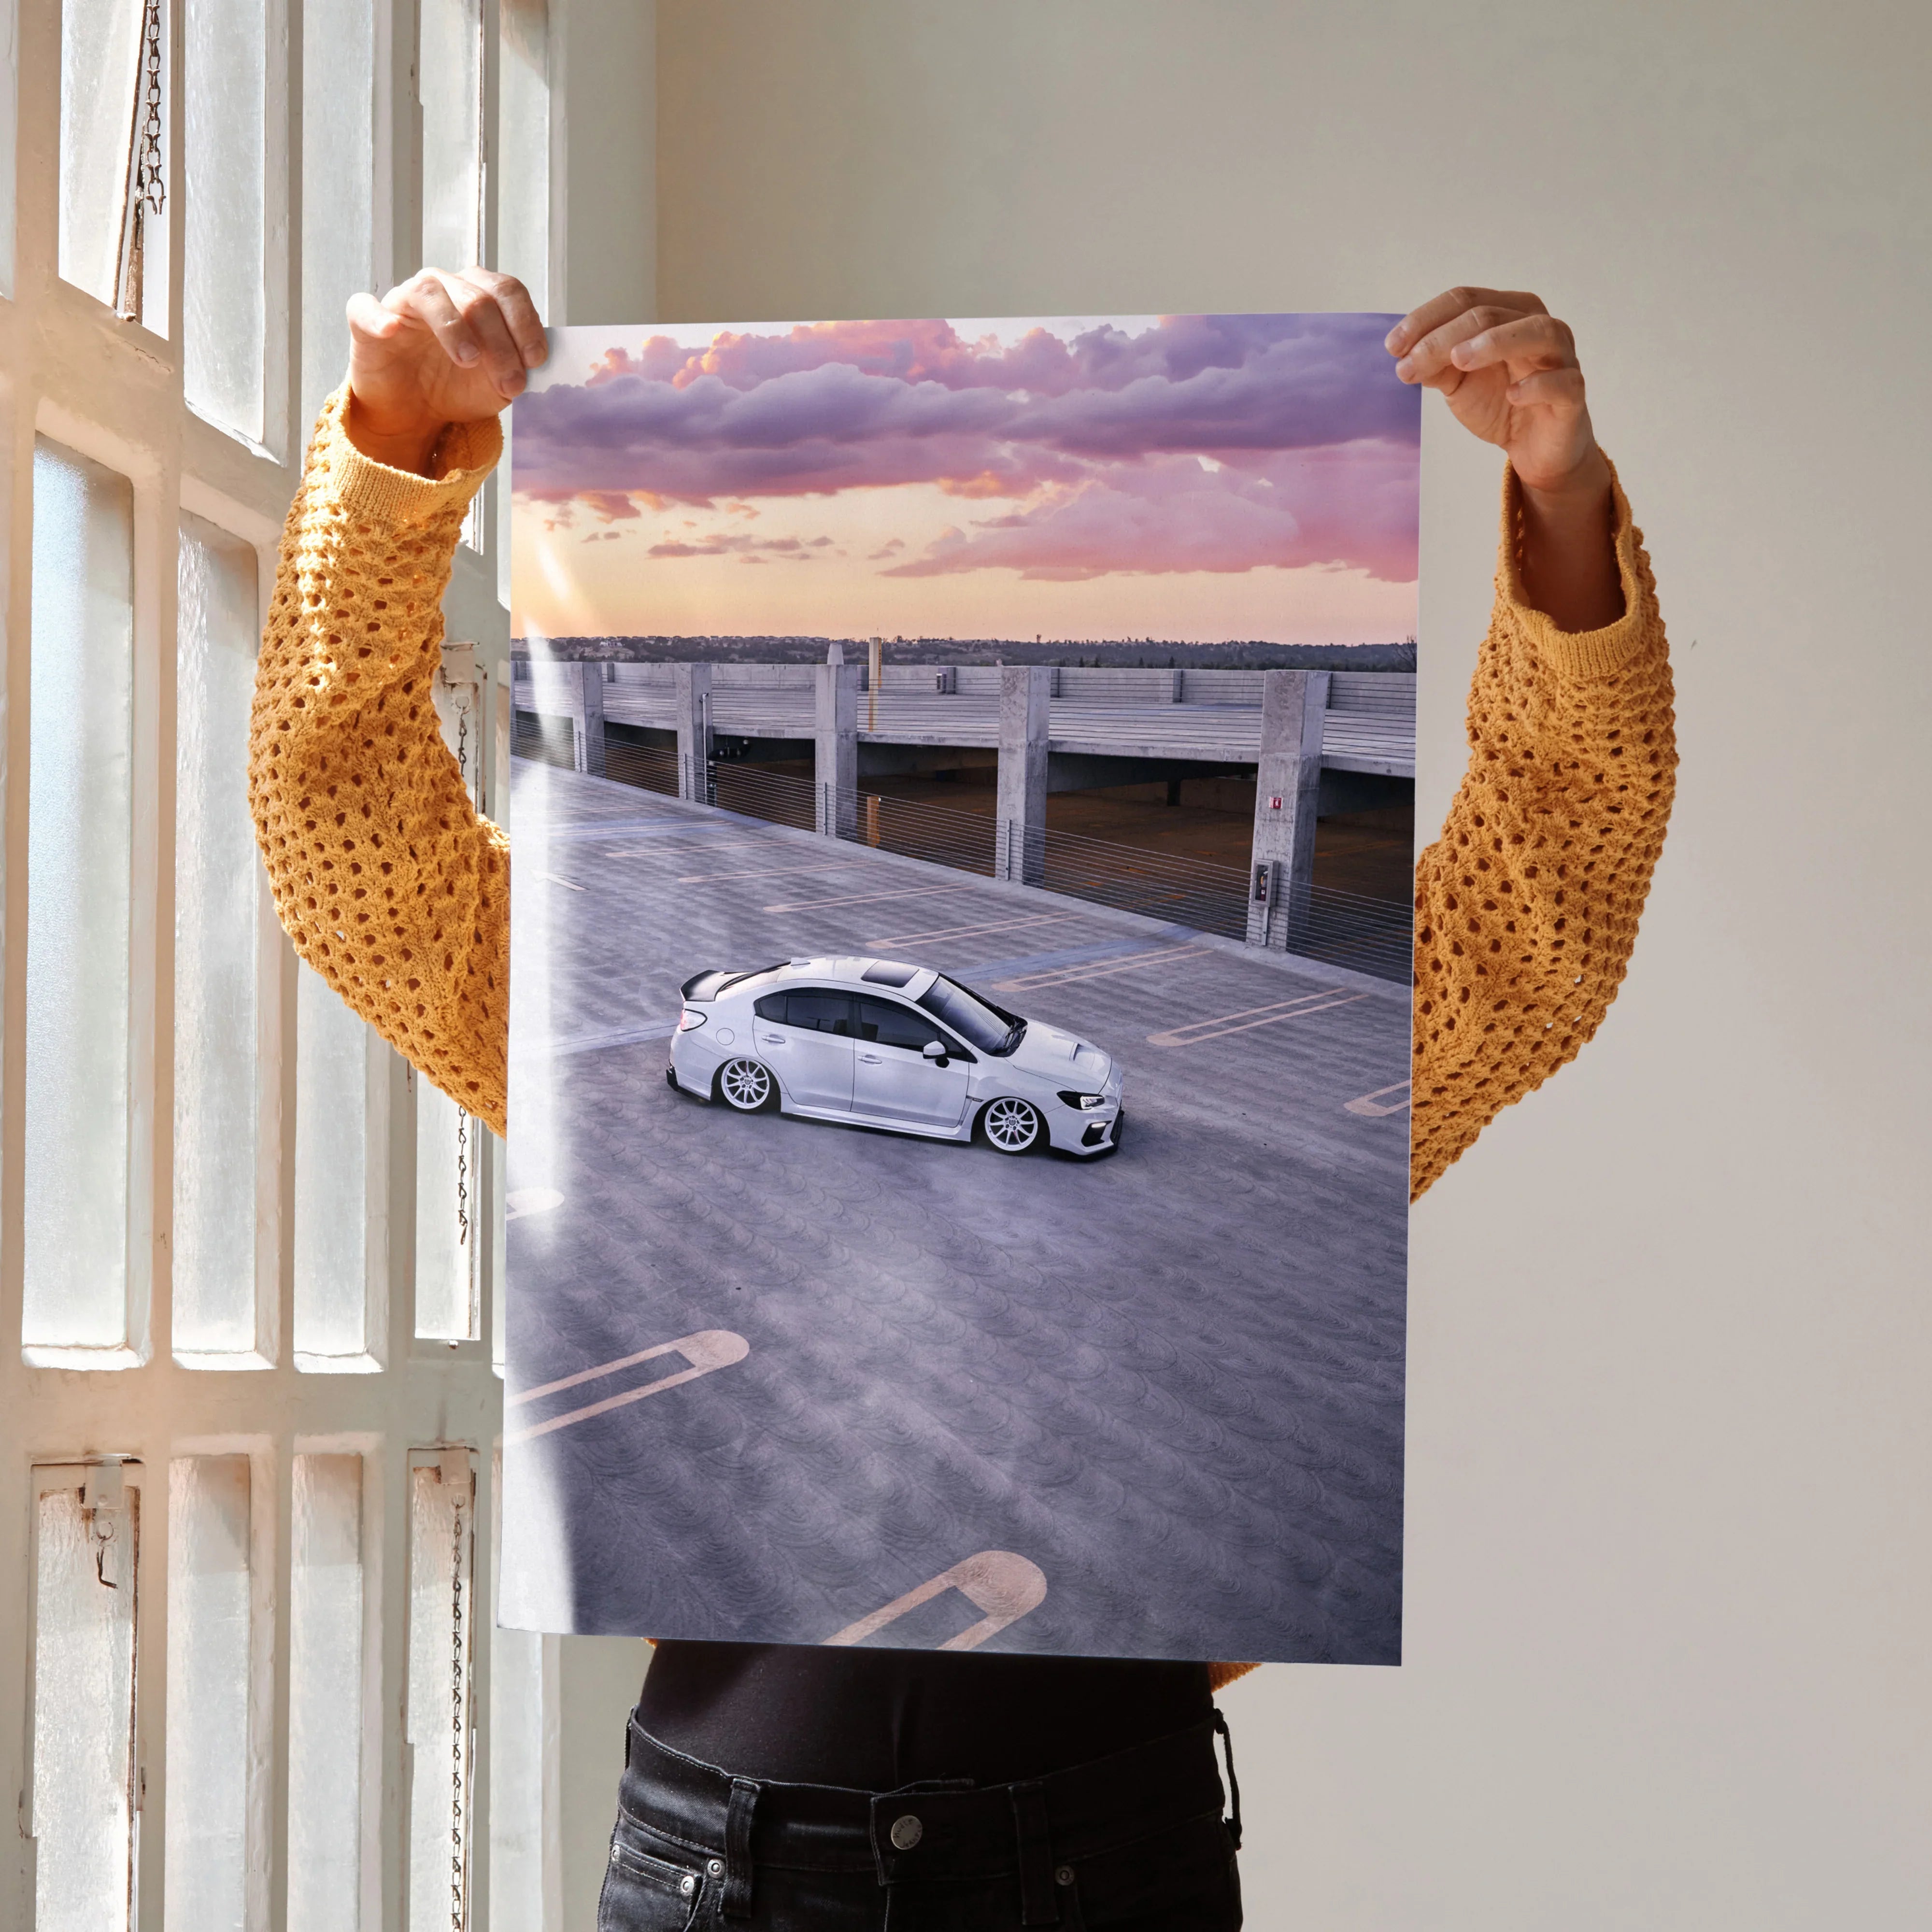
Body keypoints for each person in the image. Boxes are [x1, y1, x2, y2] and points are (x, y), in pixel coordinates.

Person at [250, 271, 1675, 1929]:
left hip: (1105, 1851)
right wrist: (393, 445)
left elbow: (1545, 908)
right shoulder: (632, 1039)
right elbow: (346, 840)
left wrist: (1560, 498)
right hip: (728, 1866)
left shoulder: (1173, 1086)